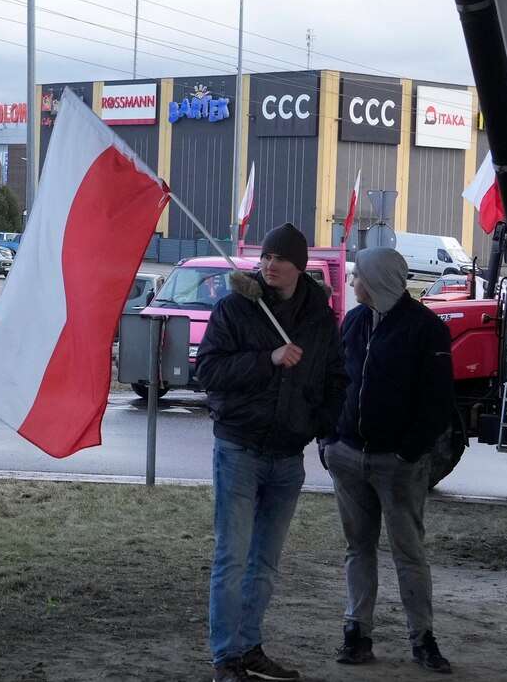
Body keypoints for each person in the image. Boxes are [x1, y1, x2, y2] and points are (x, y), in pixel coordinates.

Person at [196, 222, 349, 682]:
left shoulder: (320, 319)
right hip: (239, 449)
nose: (270, 265)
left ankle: (249, 647)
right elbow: (208, 371)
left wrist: (317, 426)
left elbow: (336, 380)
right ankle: (225, 658)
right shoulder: (235, 309)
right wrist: (269, 359)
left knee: (265, 562)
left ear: (300, 267)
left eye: (280, 258)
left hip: (287, 457)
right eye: (265, 257)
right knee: (233, 557)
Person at [325, 247, 454, 672]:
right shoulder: (357, 321)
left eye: (357, 274)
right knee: (357, 549)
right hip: (347, 456)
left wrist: (407, 452)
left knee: (408, 552)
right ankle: (356, 633)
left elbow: (436, 402)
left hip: (398, 466)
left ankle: (423, 639)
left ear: (377, 279)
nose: (351, 282)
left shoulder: (426, 329)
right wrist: (329, 440)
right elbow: (335, 381)